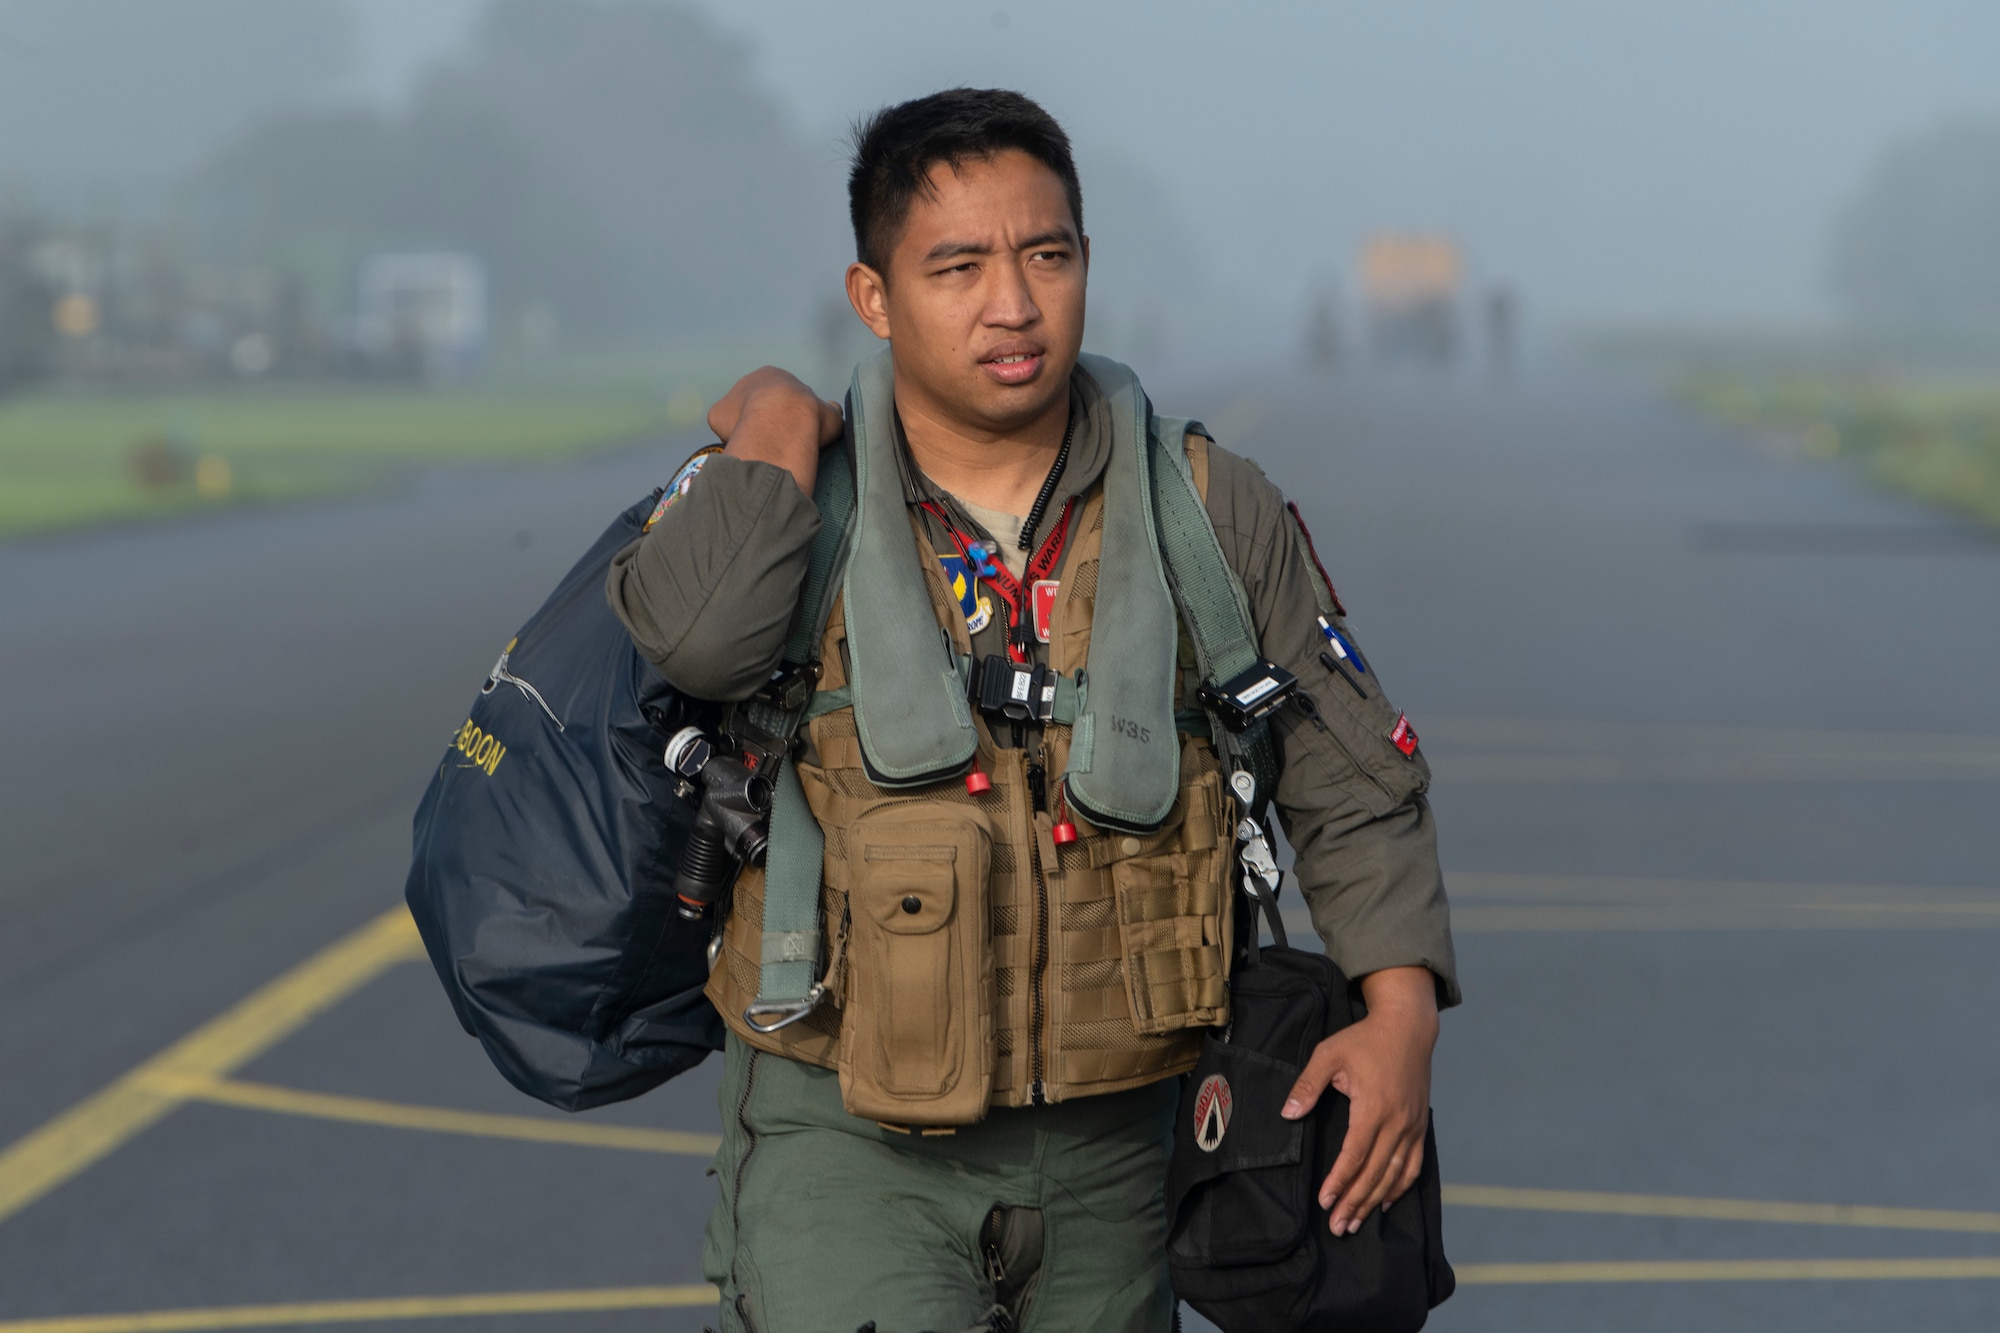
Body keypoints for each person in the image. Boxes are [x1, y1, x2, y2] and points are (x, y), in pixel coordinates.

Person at [607, 88, 1457, 1333]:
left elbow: (1347, 771)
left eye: (1043, 256)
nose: (1011, 304)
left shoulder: (1207, 510)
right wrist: (780, 423)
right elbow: (694, 635)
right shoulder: (794, 503)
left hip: (1124, 1143)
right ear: (874, 299)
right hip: (846, 1138)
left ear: (1084, 266)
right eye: (956, 267)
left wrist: (1400, 1014)